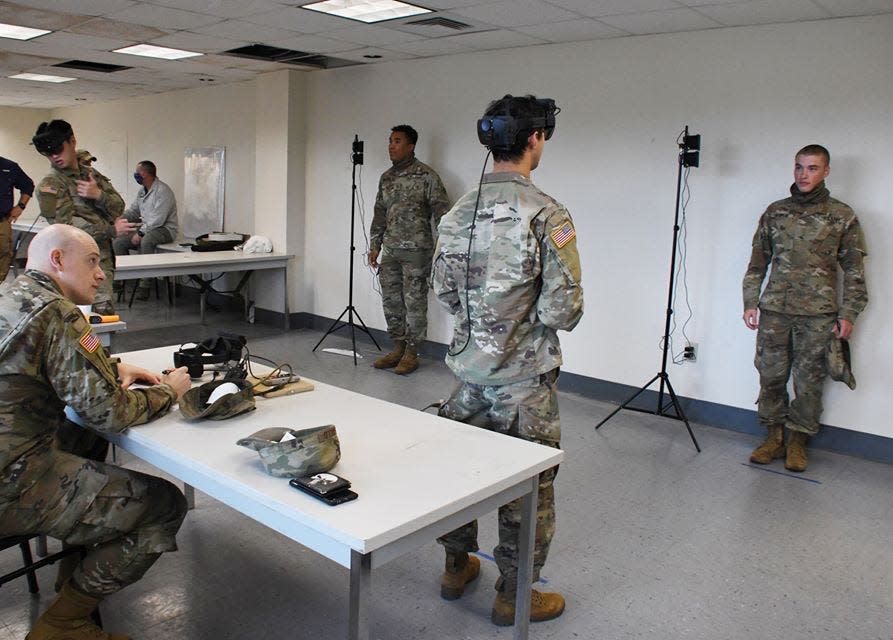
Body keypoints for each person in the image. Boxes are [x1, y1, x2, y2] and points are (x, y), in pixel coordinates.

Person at [431, 95, 583, 626]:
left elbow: (445, 295)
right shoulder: (548, 214)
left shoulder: (456, 214)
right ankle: (513, 595)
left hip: (467, 377)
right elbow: (564, 310)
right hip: (524, 386)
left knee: (459, 477)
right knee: (529, 490)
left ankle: (456, 566)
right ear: (535, 139)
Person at [0, 224, 192, 640]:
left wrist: (112, 367)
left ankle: (76, 569)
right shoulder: (59, 313)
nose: (101, 272)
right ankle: (63, 623)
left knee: (85, 437)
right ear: (57, 261)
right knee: (165, 505)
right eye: (91, 261)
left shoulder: (12, 296)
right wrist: (167, 391)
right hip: (10, 484)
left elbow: (45, 365)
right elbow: (113, 414)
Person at [742, 144, 868, 472]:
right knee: (770, 376)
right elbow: (757, 263)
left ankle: (798, 441)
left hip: (818, 315)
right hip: (776, 312)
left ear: (826, 171)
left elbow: (854, 271)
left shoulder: (842, 215)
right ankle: (773, 437)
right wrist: (750, 302)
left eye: (812, 168)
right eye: (799, 167)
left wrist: (848, 314)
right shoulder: (775, 212)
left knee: (809, 381)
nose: (803, 174)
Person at [32, 119, 136, 315]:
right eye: (49, 153)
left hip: (101, 261)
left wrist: (98, 195)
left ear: (72, 141)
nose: (55, 156)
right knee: (90, 322)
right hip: (75, 268)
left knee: (104, 320)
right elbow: (66, 230)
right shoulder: (51, 185)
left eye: (58, 149)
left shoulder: (89, 174)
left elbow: (118, 207)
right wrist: (111, 230)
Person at [368, 124, 450, 375]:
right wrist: (375, 245)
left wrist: (443, 249)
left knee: (414, 304)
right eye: (390, 141)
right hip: (391, 251)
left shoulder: (426, 176)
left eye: (397, 141)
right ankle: (397, 347)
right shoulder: (387, 178)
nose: (391, 146)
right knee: (392, 302)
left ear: (411, 145)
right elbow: (379, 214)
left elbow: (442, 214)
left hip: (417, 251)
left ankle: (412, 353)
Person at [112, 160, 179, 300]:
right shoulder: (142, 191)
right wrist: (119, 219)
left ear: (147, 174)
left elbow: (158, 220)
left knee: (146, 241)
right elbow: (134, 211)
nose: (135, 175)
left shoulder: (163, 191)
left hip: (164, 229)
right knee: (119, 242)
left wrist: (141, 233)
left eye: (138, 172)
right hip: (147, 227)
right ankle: (120, 280)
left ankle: (145, 285)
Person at [0, 155, 34, 281]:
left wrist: (20, 206)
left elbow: (28, 186)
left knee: (3, 254)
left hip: (2, 222)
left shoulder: (8, 166)